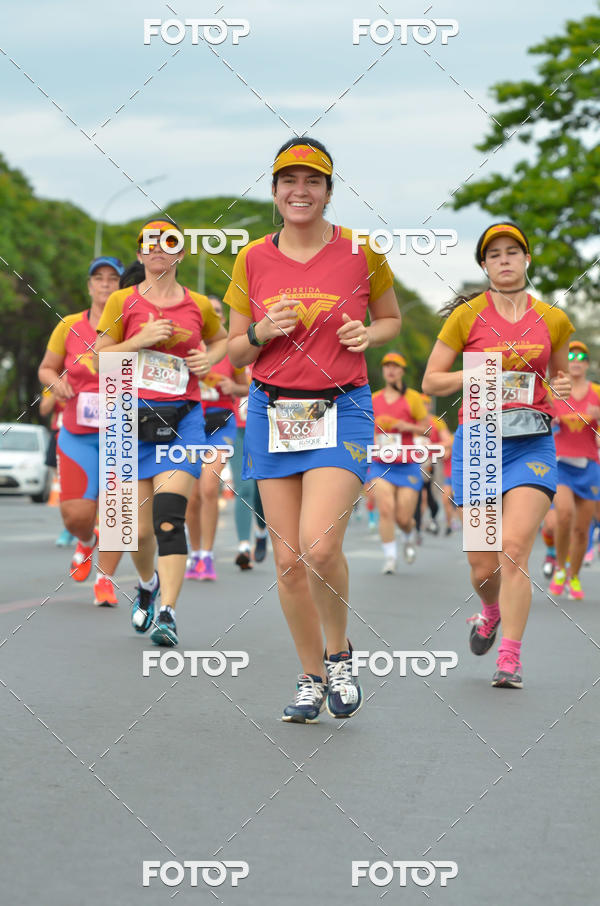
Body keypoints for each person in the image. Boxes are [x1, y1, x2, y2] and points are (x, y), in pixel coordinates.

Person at [225, 137, 401, 721]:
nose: (300, 192)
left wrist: (366, 337)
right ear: (274, 191)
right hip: (272, 411)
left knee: (320, 545)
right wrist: (260, 332)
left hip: (342, 408)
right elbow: (231, 351)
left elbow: (391, 320)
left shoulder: (361, 251)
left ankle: (340, 654)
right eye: (288, 182)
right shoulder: (252, 259)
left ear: (329, 191)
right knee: (287, 559)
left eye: (313, 182)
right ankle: (310, 674)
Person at [423, 222, 573, 689]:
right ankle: (489, 612)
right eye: (495, 254)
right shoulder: (467, 318)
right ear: (484, 265)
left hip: (532, 443)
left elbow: (560, 380)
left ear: (527, 260)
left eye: (513, 252)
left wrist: (560, 388)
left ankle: (509, 657)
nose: (505, 260)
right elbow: (431, 381)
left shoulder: (554, 319)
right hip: (481, 443)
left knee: (513, 551)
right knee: (482, 564)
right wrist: (479, 374)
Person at [95, 218, 227, 646]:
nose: (158, 249)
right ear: (139, 254)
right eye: (149, 243)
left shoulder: (198, 306)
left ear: (180, 253)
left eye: (168, 242)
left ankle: (168, 612)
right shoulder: (121, 301)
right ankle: (148, 584)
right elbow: (98, 360)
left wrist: (209, 360)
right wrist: (140, 340)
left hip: (183, 420)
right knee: (134, 530)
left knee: (169, 518)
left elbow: (224, 340)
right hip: (128, 422)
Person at [38, 256, 125, 605]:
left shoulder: (131, 325)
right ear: (89, 286)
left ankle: (106, 580)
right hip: (78, 431)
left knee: (118, 512)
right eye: (98, 278)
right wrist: (55, 382)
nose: (105, 284)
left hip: (122, 433)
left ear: (123, 287)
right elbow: (46, 368)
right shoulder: (69, 326)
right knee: (76, 515)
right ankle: (86, 541)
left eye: (113, 279)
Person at [185, 295, 250, 581]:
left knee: (210, 486)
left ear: (222, 318)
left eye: (219, 312)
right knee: (191, 496)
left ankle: (207, 557)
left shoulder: (228, 351)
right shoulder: (187, 349)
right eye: (209, 311)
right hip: (190, 425)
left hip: (222, 424)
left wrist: (231, 386)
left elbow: (247, 387)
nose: (215, 315)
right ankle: (195, 553)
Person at [548, 341, 600, 600]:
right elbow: (540, 418)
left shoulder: (597, 392)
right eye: (571, 356)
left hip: (589, 465)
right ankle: (559, 566)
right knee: (564, 514)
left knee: (582, 529)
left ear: (587, 363)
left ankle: (574, 576)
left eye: (581, 356)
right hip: (561, 464)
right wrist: (550, 419)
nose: (576, 360)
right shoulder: (556, 391)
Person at [369, 352, 429, 573]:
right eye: (387, 366)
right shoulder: (374, 399)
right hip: (380, 463)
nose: (391, 370)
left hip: (407, 464)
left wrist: (406, 426)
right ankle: (390, 558)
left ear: (402, 371)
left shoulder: (412, 398)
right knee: (386, 509)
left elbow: (427, 429)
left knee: (403, 517)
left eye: (395, 366)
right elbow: (365, 428)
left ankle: (408, 532)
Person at [228, 370, 269, 571]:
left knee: (261, 489)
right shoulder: (232, 355)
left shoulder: (271, 350)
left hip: (266, 429)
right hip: (238, 429)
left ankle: (261, 531)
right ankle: (244, 546)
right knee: (244, 488)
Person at [39, 389, 75, 546]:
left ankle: (91, 526)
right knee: (66, 487)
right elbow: (44, 410)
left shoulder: (90, 372)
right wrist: (57, 387)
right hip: (59, 433)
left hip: (85, 434)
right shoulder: (53, 380)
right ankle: (70, 527)